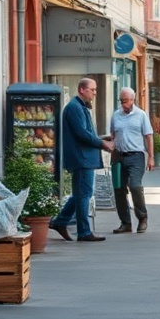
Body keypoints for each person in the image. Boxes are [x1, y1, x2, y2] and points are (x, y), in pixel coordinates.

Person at [50, 78, 114, 242]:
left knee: (80, 193)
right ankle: (84, 231)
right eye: (92, 89)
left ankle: (61, 221)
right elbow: (82, 134)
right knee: (84, 193)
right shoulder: (75, 107)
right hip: (82, 158)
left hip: (83, 157)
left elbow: (85, 133)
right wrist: (102, 144)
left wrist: (101, 138)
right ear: (81, 90)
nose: (95, 92)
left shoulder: (78, 106)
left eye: (95, 89)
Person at [109, 87, 154, 234]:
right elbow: (113, 134)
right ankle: (126, 222)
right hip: (119, 156)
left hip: (136, 156)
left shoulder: (141, 115)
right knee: (119, 189)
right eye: (121, 101)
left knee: (135, 185)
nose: (123, 104)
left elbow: (148, 136)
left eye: (126, 101)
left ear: (132, 100)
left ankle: (142, 218)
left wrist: (151, 157)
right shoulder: (116, 115)